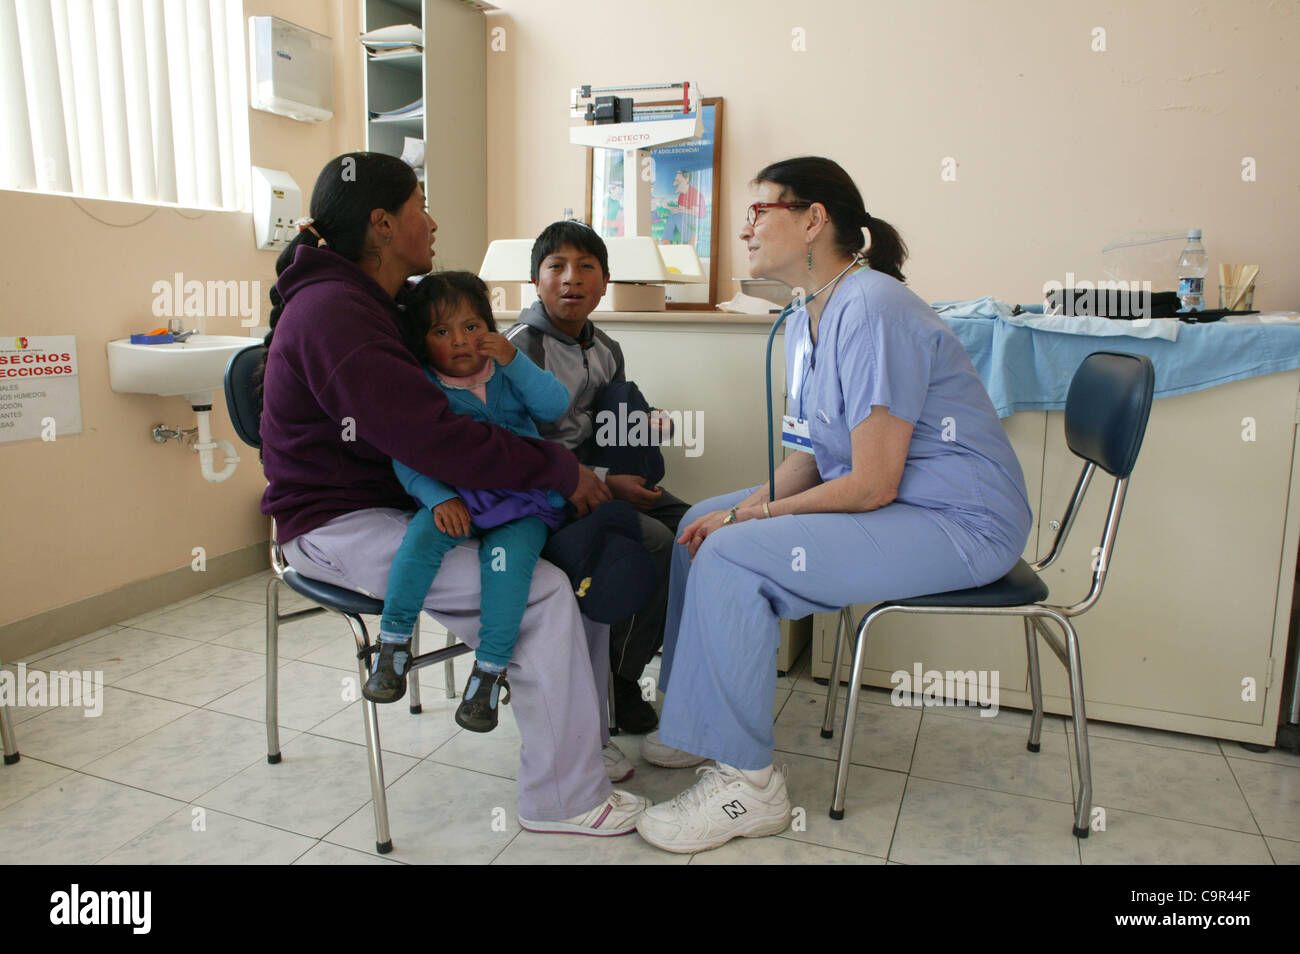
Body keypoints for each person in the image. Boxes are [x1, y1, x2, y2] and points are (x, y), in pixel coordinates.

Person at [634, 156, 1034, 853]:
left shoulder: (875, 307)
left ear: (813, 218)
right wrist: (740, 509)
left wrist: (751, 521)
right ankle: (702, 726)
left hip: (958, 521)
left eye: (761, 211)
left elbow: (873, 481)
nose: (746, 228)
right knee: (702, 525)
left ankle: (750, 790)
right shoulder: (802, 319)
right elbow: (808, 458)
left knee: (730, 552)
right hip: (896, 502)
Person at [259, 152, 647, 835]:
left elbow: (452, 424)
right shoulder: (335, 314)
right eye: (420, 207)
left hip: (410, 501)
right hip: (341, 523)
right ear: (383, 224)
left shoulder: (372, 302)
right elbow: (436, 437)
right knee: (542, 595)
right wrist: (560, 470)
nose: (432, 222)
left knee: (573, 569)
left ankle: (582, 748)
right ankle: (564, 799)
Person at [363, 272, 570, 736]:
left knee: (506, 568)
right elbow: (406, 451)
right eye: (442, 332)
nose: (460, 341)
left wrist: (515, 360)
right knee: (419, 539)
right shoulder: (421, 384)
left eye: (472, 327)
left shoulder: (507, 371)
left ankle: (489, 674)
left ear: (490, 328)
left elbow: (554, 405)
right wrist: (438, 497)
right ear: (422, 341)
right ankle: (393, 644)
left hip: (523, 500)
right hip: (460, 497)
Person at [505, 222, 692, 734]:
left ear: (605, 281)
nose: (572, 278)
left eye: (587, 266)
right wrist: (610, 482)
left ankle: (675, 672)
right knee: (654, 543)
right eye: (557, 267)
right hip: (547, 491)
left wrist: (651, 421)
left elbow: (606, 422)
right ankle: (619, 680)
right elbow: (518, 448)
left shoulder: (606, 346)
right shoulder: (518, 350)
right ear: (535, 280)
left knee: (698, 527)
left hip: (603, 479)